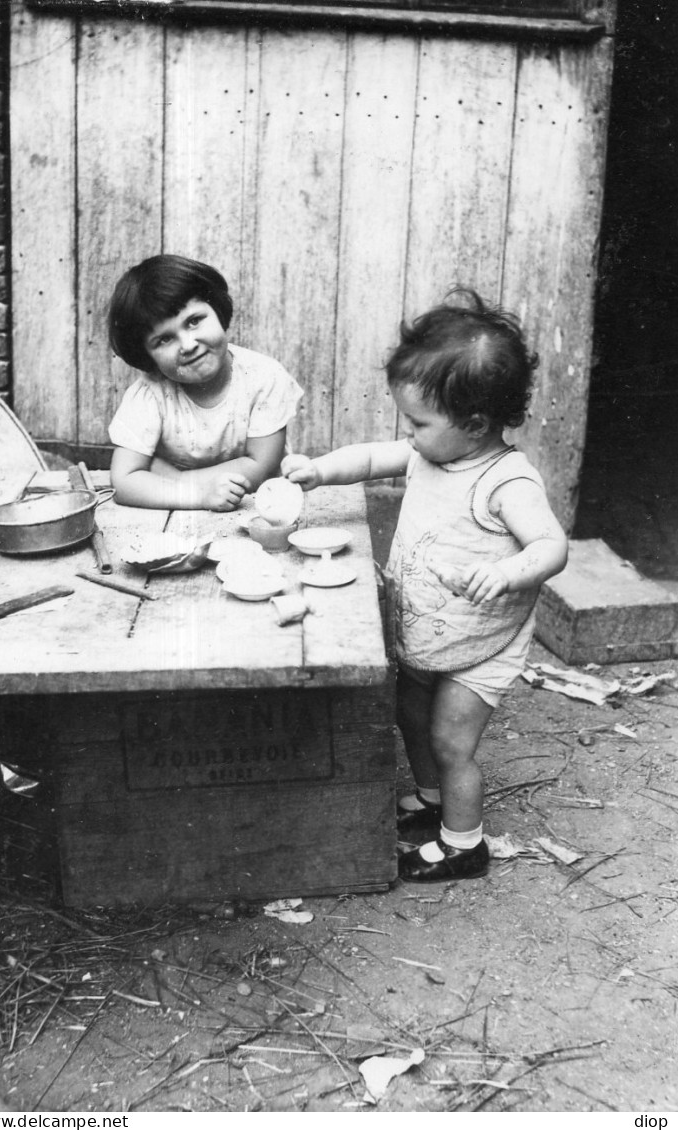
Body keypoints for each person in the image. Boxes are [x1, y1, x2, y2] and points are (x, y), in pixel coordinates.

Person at [282, 289, 568, 882]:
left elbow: (550, 547)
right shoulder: (429, 452)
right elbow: (364, 460)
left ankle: (465, 844)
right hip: (426, 630)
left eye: (417, 421)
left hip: (480, 645)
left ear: (475, 424)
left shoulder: (506, 480)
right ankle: (434, 802)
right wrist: (317, 470)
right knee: (410, 717)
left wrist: (506, 571)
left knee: (450, 740)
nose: (406, 433)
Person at [107, 255, 303, 510]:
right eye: (165, 339)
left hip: (262, 510)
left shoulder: (263, 378)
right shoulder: (149, 394)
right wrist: (198, 495)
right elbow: (124, 482)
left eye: (194, 321)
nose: (188, 345)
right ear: (147, 356)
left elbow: (260, 467)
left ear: (217, 311)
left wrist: (176, 479)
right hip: (177, 516)